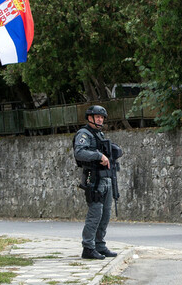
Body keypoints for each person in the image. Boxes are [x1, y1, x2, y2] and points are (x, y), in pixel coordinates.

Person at [73, 105, 122, 259]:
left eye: (102, 117)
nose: (100, 119)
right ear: (90, 117)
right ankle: (88, 247)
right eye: (97, 116)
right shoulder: (84, 134)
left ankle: (99, 245)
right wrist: (98, 156)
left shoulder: (99, 134)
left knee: (105, 214)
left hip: (106, 178)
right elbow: (79, 152)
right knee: (95, 214)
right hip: (93, 179)